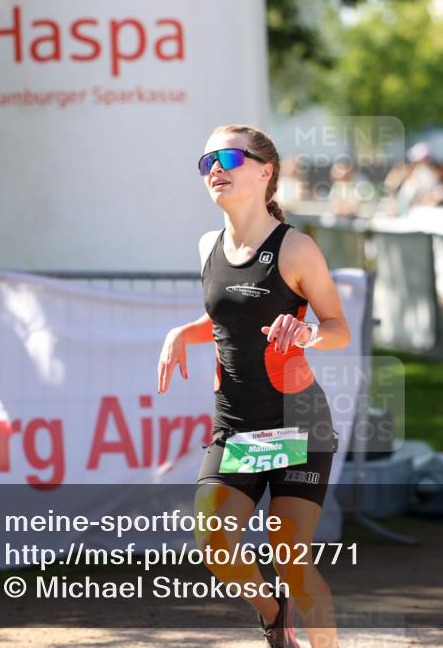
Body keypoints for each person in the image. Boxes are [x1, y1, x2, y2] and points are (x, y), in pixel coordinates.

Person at [157, 124, 350, 648]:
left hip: (297, 428)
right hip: (238, 429)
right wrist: (183, 332)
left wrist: (308, 332)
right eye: (205, 162)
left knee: (292, 560)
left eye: (226, 157)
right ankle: (273, 613)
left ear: (265, 172)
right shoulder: (208, 245)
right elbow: (229, 319)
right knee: (214, 541)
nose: (214, 168)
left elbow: (339, 329)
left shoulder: (296, 249)